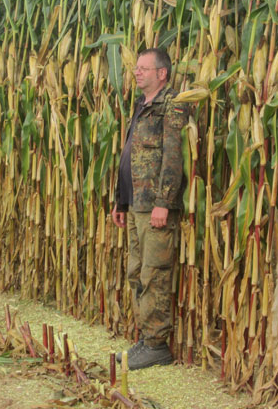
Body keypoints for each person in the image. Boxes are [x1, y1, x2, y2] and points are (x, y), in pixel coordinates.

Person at [111, 47, 188, 370]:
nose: (137, 72)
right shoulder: (142, 106)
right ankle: (146, 336)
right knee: (136, 273)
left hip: (154, 207)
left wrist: (163, 203)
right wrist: (121, 199)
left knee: (154, 273)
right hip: (135, 204)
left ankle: (157, 345)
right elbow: (131, 155)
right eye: (136, 68)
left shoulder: (171, 106)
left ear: (162, 74)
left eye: (144, 68)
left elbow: (173, 155)